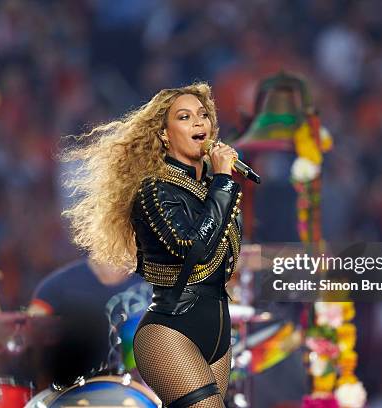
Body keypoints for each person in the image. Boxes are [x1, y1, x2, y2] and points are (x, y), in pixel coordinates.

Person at [63, 82, 242, 407]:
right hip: (172, 327)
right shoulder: (154, 192)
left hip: (217, 324)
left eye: (203, 115)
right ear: (163, 135)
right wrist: (223, 183)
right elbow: (192, 250)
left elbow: (223, 257)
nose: (199, 122)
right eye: (185, 117)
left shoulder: (210, 189)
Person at [27, 258, 147, 388]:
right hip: (74, 394)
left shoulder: (158, 280)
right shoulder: (55, 288)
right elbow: (27, 338)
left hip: (144, 392)